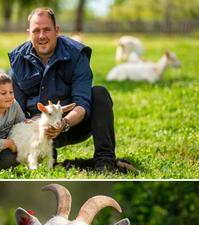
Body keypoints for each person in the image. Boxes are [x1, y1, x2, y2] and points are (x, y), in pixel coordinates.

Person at [8, 7, 117, 172]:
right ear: (29, 33)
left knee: (100, 93)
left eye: (47, 30)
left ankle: (105, 163)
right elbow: (17, 111)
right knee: (4, 160)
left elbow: (83, 103)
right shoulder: (18, 60)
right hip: (36, 130)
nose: (42, 36)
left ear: (56, 31)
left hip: (71, 124)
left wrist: (64, 123)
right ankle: (45, 154)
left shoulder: (76, 55)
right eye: (36, 31)